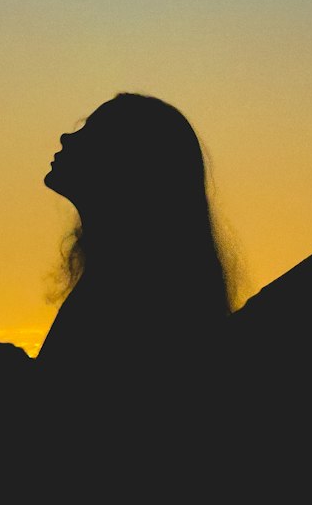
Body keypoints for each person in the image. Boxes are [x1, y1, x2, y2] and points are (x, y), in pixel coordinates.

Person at [38, 93, 234, 384]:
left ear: (124, 165)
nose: (67, 137)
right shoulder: (131, 279)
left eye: (92, 133)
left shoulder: (127, 287)